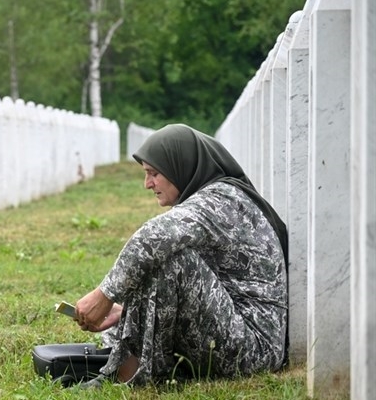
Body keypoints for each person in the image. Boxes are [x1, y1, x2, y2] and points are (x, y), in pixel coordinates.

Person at [74, 123, 288, 388]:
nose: (147, 184)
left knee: (169, 257)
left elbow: (152, 238)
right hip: (236, 329)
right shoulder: (214, 195)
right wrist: (130, 311)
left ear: (181, 165)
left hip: (254, 350)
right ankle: (126, 366)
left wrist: (104, 296)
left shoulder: (221, 199)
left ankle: (135, 377)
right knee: (163, 254)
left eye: (154, 173)